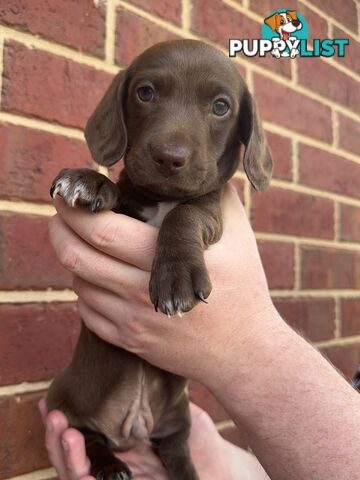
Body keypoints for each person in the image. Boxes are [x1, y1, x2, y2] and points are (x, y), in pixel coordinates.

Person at [40, 184, 360, 480]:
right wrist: (219, 465)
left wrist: (247, 338)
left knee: (173, 434)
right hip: (109, 412)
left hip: (166, 417)